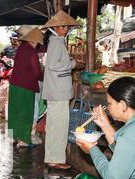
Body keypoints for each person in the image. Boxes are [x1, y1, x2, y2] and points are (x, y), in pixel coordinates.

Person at [42, 10, 83, 169]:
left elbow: (55, 63)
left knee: (54, 125)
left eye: (66, 27)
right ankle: (55, 159)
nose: (65, 30)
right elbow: (53, 65)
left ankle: (53, 157)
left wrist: (70, 61)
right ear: (56, 28)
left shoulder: (55, 41)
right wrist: (73, 64)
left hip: (56, 90)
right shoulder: (56, 42)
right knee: (59, 125)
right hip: (58, 91)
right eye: (62, 27)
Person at [7, 27, 44, 147]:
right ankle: (23, 140)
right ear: (33, 41)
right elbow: (37, 72)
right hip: (26, 86)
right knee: (25, 113)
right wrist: (44, 76)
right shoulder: (31, 51)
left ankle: (13, 137)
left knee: (14, 111)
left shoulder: (20, 48)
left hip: (14, 84)